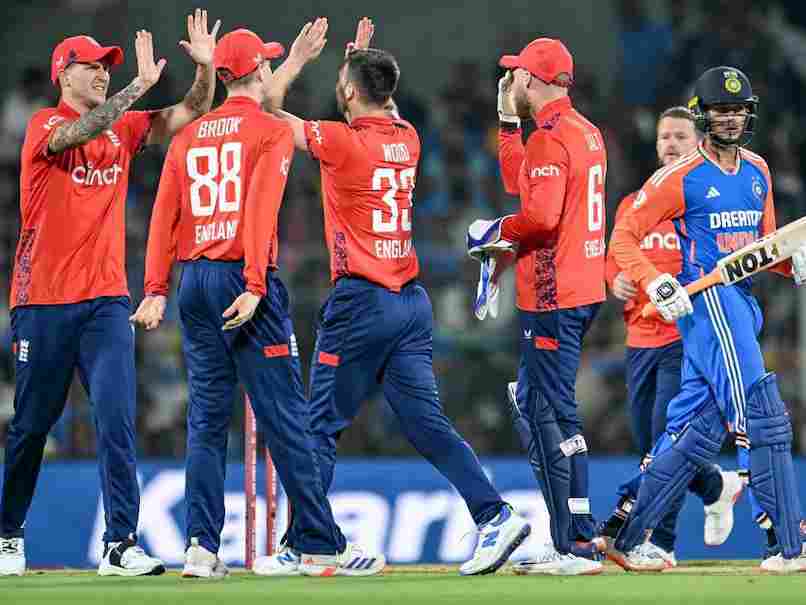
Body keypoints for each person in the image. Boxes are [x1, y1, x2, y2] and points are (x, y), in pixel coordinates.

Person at [260, 17, 531, 577]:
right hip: (409, 303)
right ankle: (495, 515)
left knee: (319, 427)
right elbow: (377, 106)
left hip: (360, 302)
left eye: (344, 85)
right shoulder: (407, 137)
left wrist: (299, 61)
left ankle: (308, 543)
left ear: (349, 92)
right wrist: (359, 62)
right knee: (427, 424)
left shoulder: (340, 143)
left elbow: (265, 112)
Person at [131, 27, 384, 579]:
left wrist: (154, 289)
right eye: (269, 63)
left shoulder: (187, 136)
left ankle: (200, 548)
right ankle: (320, 543)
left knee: (205, 419)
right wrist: (252, 283)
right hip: (244, 281)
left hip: (193, 281)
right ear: (260, 71)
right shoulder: (269, 131)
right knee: (286, 416)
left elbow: (163, 215)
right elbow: (261, 210)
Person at [0, 10, 219, 577]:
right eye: (91, 65)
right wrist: (137, 87)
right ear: (63, 73)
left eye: (107, 67)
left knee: (118, 420)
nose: (101, 73)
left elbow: (192, 110)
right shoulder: (44, 125)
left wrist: (205, 68)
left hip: (105, 299)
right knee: (31, 426)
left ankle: (120, 543)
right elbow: (78, 133)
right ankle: (7, 534)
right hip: (43, 301)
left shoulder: (124, 128)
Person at [608, 66, 806, 573]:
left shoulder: (758, 170)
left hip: (743, 302)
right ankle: (786, 543)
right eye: (721, 110)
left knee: (693, 432)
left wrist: (792, 263)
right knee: (759, 412)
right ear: (703, 115)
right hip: (709, 304)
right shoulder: (679, 177)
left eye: (738, 110)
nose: (731, 119)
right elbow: (623, 237)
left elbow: (763, 247)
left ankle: (624, 535)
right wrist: (656, 280)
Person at [467, 37, 606, 576]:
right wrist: (507, 123)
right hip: (581, 288)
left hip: (552, 295)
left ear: (531, 78)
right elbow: (519, 181)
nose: (512, 82)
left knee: (554, 412)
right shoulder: (584, 131)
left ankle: (578, 542)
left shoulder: (551, 140)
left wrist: (493, 231)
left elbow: (541, 218)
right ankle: (568, 535)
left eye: (517, 75)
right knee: (533, 404)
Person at [596, 107, 744, 568]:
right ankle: (716, 486)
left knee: (667, 437)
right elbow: (614, 259)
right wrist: (615, 281)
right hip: (639, 339)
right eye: (664, 137)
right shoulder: (634, 203)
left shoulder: (699, 199)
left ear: (698, 141)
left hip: (684, 338)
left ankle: (660, 541)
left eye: (680, 136)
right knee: (650, 444)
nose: (671, 145)